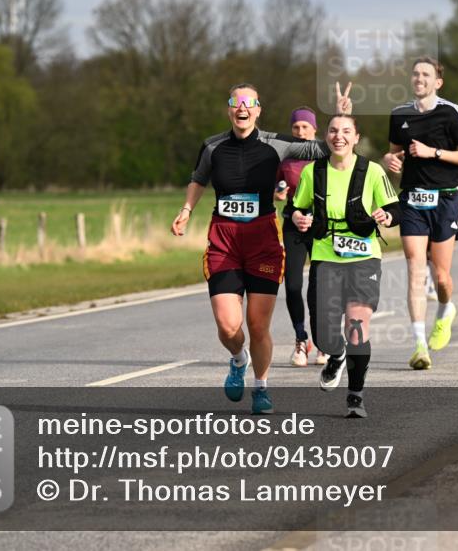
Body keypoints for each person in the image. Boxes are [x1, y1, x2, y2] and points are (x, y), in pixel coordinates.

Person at [171, 83, 350, 414]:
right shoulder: (212, 146)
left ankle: (261, 388)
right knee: (228, 326)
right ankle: (239, 359)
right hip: (224, 242)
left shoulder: (276, 144)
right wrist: (186, 210)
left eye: (248, 103)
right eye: (236, 103)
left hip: (263, 241)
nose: (242, 109)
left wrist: (341, 116)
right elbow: (198, 178)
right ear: (229, 109)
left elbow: (324, 149)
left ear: (257, 109)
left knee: (257, 325)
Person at [291, 114, 401, 418]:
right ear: (326, 136)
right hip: (326, 257)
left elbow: (395, 207)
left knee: (356, 327)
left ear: (355, 137)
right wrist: (299, 219)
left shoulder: (372, 171)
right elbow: (296, 209)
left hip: (364, 257)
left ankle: (355, 395)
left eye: (346, 131)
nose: (339, 136)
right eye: (333, 131)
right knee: (323, 335)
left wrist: (388, 217)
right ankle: (335, 355)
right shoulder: (314, 172)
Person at [382, 57, 458, 370]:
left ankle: (447, 308)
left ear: (438, 82)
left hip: (446, 198)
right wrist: (391, 161)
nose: (419, 78)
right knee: (414, 267)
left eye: (426, 74)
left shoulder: (451, 112)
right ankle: (420, 345)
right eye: (416, 73)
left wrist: (432, 152)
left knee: (441, 276)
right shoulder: (399, 115)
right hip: (412, 199)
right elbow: (394, 152)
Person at [274, 107, 327, 367]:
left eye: (305, 127)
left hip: (321, 225)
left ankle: (321, 342)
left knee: (318, 288)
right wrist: (279, 192)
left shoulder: (324, 155)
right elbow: (276, 186)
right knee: (293, 285)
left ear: (315, 129)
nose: (300, 131)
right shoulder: (285, 157)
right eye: (296, 127)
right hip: (293, 223)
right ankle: (300, 339)